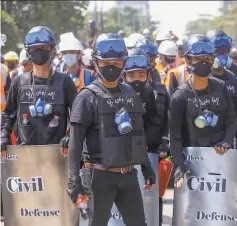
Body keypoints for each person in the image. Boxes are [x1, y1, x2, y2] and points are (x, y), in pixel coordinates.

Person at [67, 33, 156, 226]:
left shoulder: (130, 92)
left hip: (128, 176)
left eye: (117, 63)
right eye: (106, 62)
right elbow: (75, 143)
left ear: (123, 63)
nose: (112, 67)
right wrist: (74, 180)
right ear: (96, 62)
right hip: (99, 177)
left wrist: (147, 167)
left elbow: (137, 133)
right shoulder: (86, 97)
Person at [170, 37, 237, 187]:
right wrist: (180, 165)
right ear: (188, 61)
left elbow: (231, 119)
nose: (204, 63)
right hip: (193, 164)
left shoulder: (221, 87)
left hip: (221, 158)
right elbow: (174, 136)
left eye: (207, 59)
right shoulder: (179, 96)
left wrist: (227, 141)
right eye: (198, 59)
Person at [0, 25, 77, 155]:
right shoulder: (18, 82)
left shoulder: (65, 82)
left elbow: (77, 116)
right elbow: (9, 114)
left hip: (57, 156)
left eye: (43, 48)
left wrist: (70, 135)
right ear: (28, 52)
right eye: (34, 48)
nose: (39, 51)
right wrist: (4, 135)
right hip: (25, 156)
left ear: (52, 50)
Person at [122, 48, 170, 226]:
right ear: (124, 76)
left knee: (152, 199)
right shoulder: (116, 94)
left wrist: (165, 142)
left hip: (152, 152)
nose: (137, 80)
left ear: (148, 75)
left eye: (141, 75)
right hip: (125, 156)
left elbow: (166, 120)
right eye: (131, 75)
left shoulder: (159, 92)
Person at [211, 46, 237, 149]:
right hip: (210, 132)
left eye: (224, 52)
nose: (222, 55)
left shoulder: (233, 75)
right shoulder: (204, 76)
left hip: (230, 133)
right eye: (218, 52)